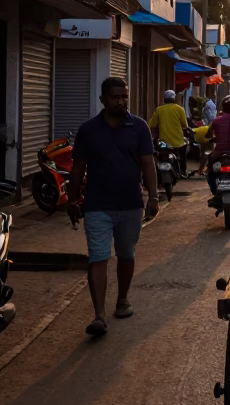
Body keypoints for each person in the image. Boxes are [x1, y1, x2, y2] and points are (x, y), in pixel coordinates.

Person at [67, 77, 158, 337]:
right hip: (97, 205)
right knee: (98, 257)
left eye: (124, 97)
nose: (120, 101)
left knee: (126, 254)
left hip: (131, 204)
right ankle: (99, 315)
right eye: (115, 97)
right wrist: (73, 201)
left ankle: (122, 300)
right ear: (103, 100)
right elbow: (78, 169)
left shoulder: (138, 127)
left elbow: (148, 163)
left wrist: (153, 197)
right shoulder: (88, 130)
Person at [149, 89, 189, 177]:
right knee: (182, 157)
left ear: (164, 99)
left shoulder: (159, 109)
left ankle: (156, 174)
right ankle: (183, 171)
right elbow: (185, 125)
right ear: (174, 99)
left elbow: (152, 124)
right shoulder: (180, 109)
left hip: (164, 142)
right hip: (178, 142)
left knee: (157, 156)